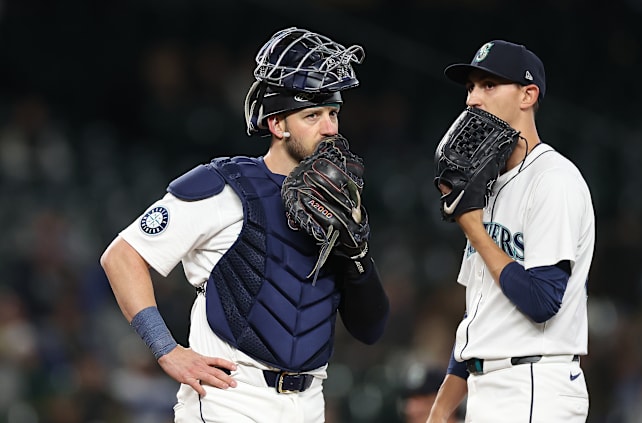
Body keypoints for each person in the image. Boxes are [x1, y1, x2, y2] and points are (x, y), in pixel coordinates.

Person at [99, 27, 389, 423]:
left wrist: (357, 253)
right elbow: (122, 256)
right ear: (277, 124)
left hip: (309, 402)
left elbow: (371, 328)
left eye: (333, 113)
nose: (330, 128)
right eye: (312, 115)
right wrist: (166, 349)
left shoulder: (338, 201)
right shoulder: (224, 185)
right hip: (233, 398)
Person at [427, 40, 596, 422]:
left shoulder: (554, 179)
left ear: (527, 94)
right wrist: (438, 413)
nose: (473, 99)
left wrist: (474, 228)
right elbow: (481, 320)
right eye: (471, 87)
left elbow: (542, 300)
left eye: (489, 85)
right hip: (489, 387)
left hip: (536, 384)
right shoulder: (488, 187)